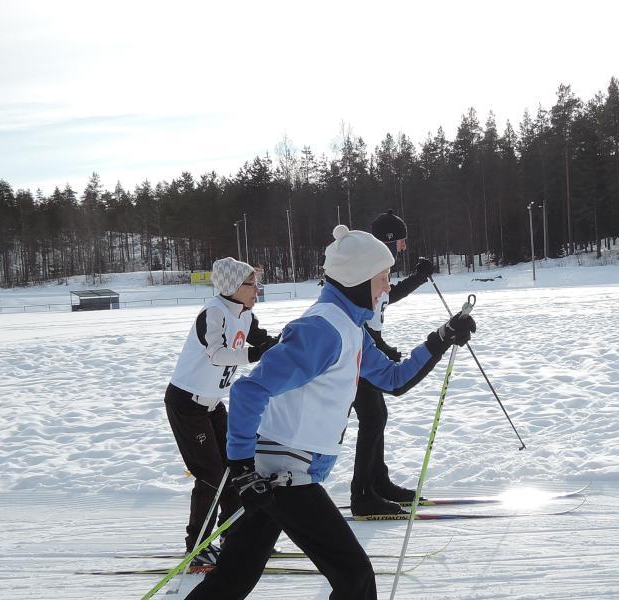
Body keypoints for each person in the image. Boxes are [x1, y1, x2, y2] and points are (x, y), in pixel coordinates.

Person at [187, 225, 476, 600]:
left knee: (232, 579)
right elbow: (248, 390)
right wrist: (242, 470)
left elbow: (393, 379)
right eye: (383, 278)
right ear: (357, 278)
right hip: (282, 477)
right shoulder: (322, 330)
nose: (388, 287)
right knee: (354, 577)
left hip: (276, 472)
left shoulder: (350, 326)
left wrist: (440, 338)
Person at [165, 257, 277, 566]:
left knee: (236, 466)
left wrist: (286, 346)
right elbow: (217, 354)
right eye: (252, 284)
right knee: (211, 476)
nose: (258, 290)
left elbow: (265, 341)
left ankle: (234, 533)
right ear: (233, 287)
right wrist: (256, 353)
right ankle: (197, 547)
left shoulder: (244, 314)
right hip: (186, 405)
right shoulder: (213, 313)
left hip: (213, 405)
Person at [349, 210, 439, 516]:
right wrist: (381, 347)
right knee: (373, 418)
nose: (403, 247)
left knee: (376, 417)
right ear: (389, 240)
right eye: (401, 240)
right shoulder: (366, 269)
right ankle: (363, 494)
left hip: (365, 353)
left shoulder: (377, 267)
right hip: (355, 357)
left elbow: (387, 296)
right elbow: (356, 319)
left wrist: (417, 278)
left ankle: (377, 484)